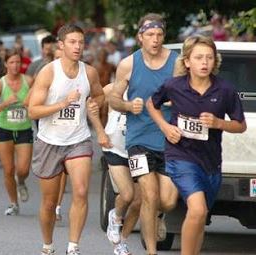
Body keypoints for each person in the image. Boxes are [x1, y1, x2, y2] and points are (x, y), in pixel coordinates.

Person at [146, 35, 246, 255]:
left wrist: (219, 123)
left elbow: (240, 125)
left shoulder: (225, 90)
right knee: (198, 209)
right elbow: (151, 104)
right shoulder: (173, 86)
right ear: (187, 62)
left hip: (210, 163)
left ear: (215, 61)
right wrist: (165, 127)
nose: (204, 62)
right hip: (180, 156)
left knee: (199, 216)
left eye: (209, 58)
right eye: (199, 57)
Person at [28, 24, 104, 255]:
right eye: (72, 42)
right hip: (49, 141)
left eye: (81, 42)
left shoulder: (89, 72)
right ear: (61, 45)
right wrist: (62, 103)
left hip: (78, 139)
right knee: (50, 203)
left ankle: (73, 247)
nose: (78, 46)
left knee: (80, 191)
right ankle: (48, 245)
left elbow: (100, 94)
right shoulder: (49, 72)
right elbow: (33, 111)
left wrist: (95, 103)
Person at [109, 13, 179, 255]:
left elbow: (190, 93)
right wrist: (129, 106)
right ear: (140, 37)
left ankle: (155, 216)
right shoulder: (128, 64)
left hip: (170, 140)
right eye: (150, 35)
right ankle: (151, 252)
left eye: (159, 35)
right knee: (148, 195)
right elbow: (113, 99)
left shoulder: (177, 62)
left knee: (167, 200)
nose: (155, 39)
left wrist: (176, 100)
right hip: (138, 140)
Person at [89, 83, 141, 255]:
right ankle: (116, 216)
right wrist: (100, 131)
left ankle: (122, 243)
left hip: (139, 150)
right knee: (127, 194)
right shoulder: (113, 88)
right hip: (115, 148)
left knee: (138, 202)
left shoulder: (149, 87)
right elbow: (91, 104)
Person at [0, 49, 33, 215]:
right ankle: (14, 203)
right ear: (6, 64)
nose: (15, 65)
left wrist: (30, 104)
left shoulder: (28, 81)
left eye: (18, 62)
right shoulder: (0, 84)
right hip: (4, 129)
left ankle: (21, 182)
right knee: (8, 170)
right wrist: (5, 103)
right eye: (11, 62)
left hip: (24, 129)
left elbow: (38, 100)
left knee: (23, 169)